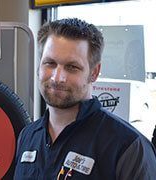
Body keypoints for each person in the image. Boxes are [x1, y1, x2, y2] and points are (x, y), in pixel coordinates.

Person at [14, 18, 156, 179]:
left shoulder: (128, 146)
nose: (57, 77)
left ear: (94, 72)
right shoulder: (28, 136)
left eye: (72, 67)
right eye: (50, 63)